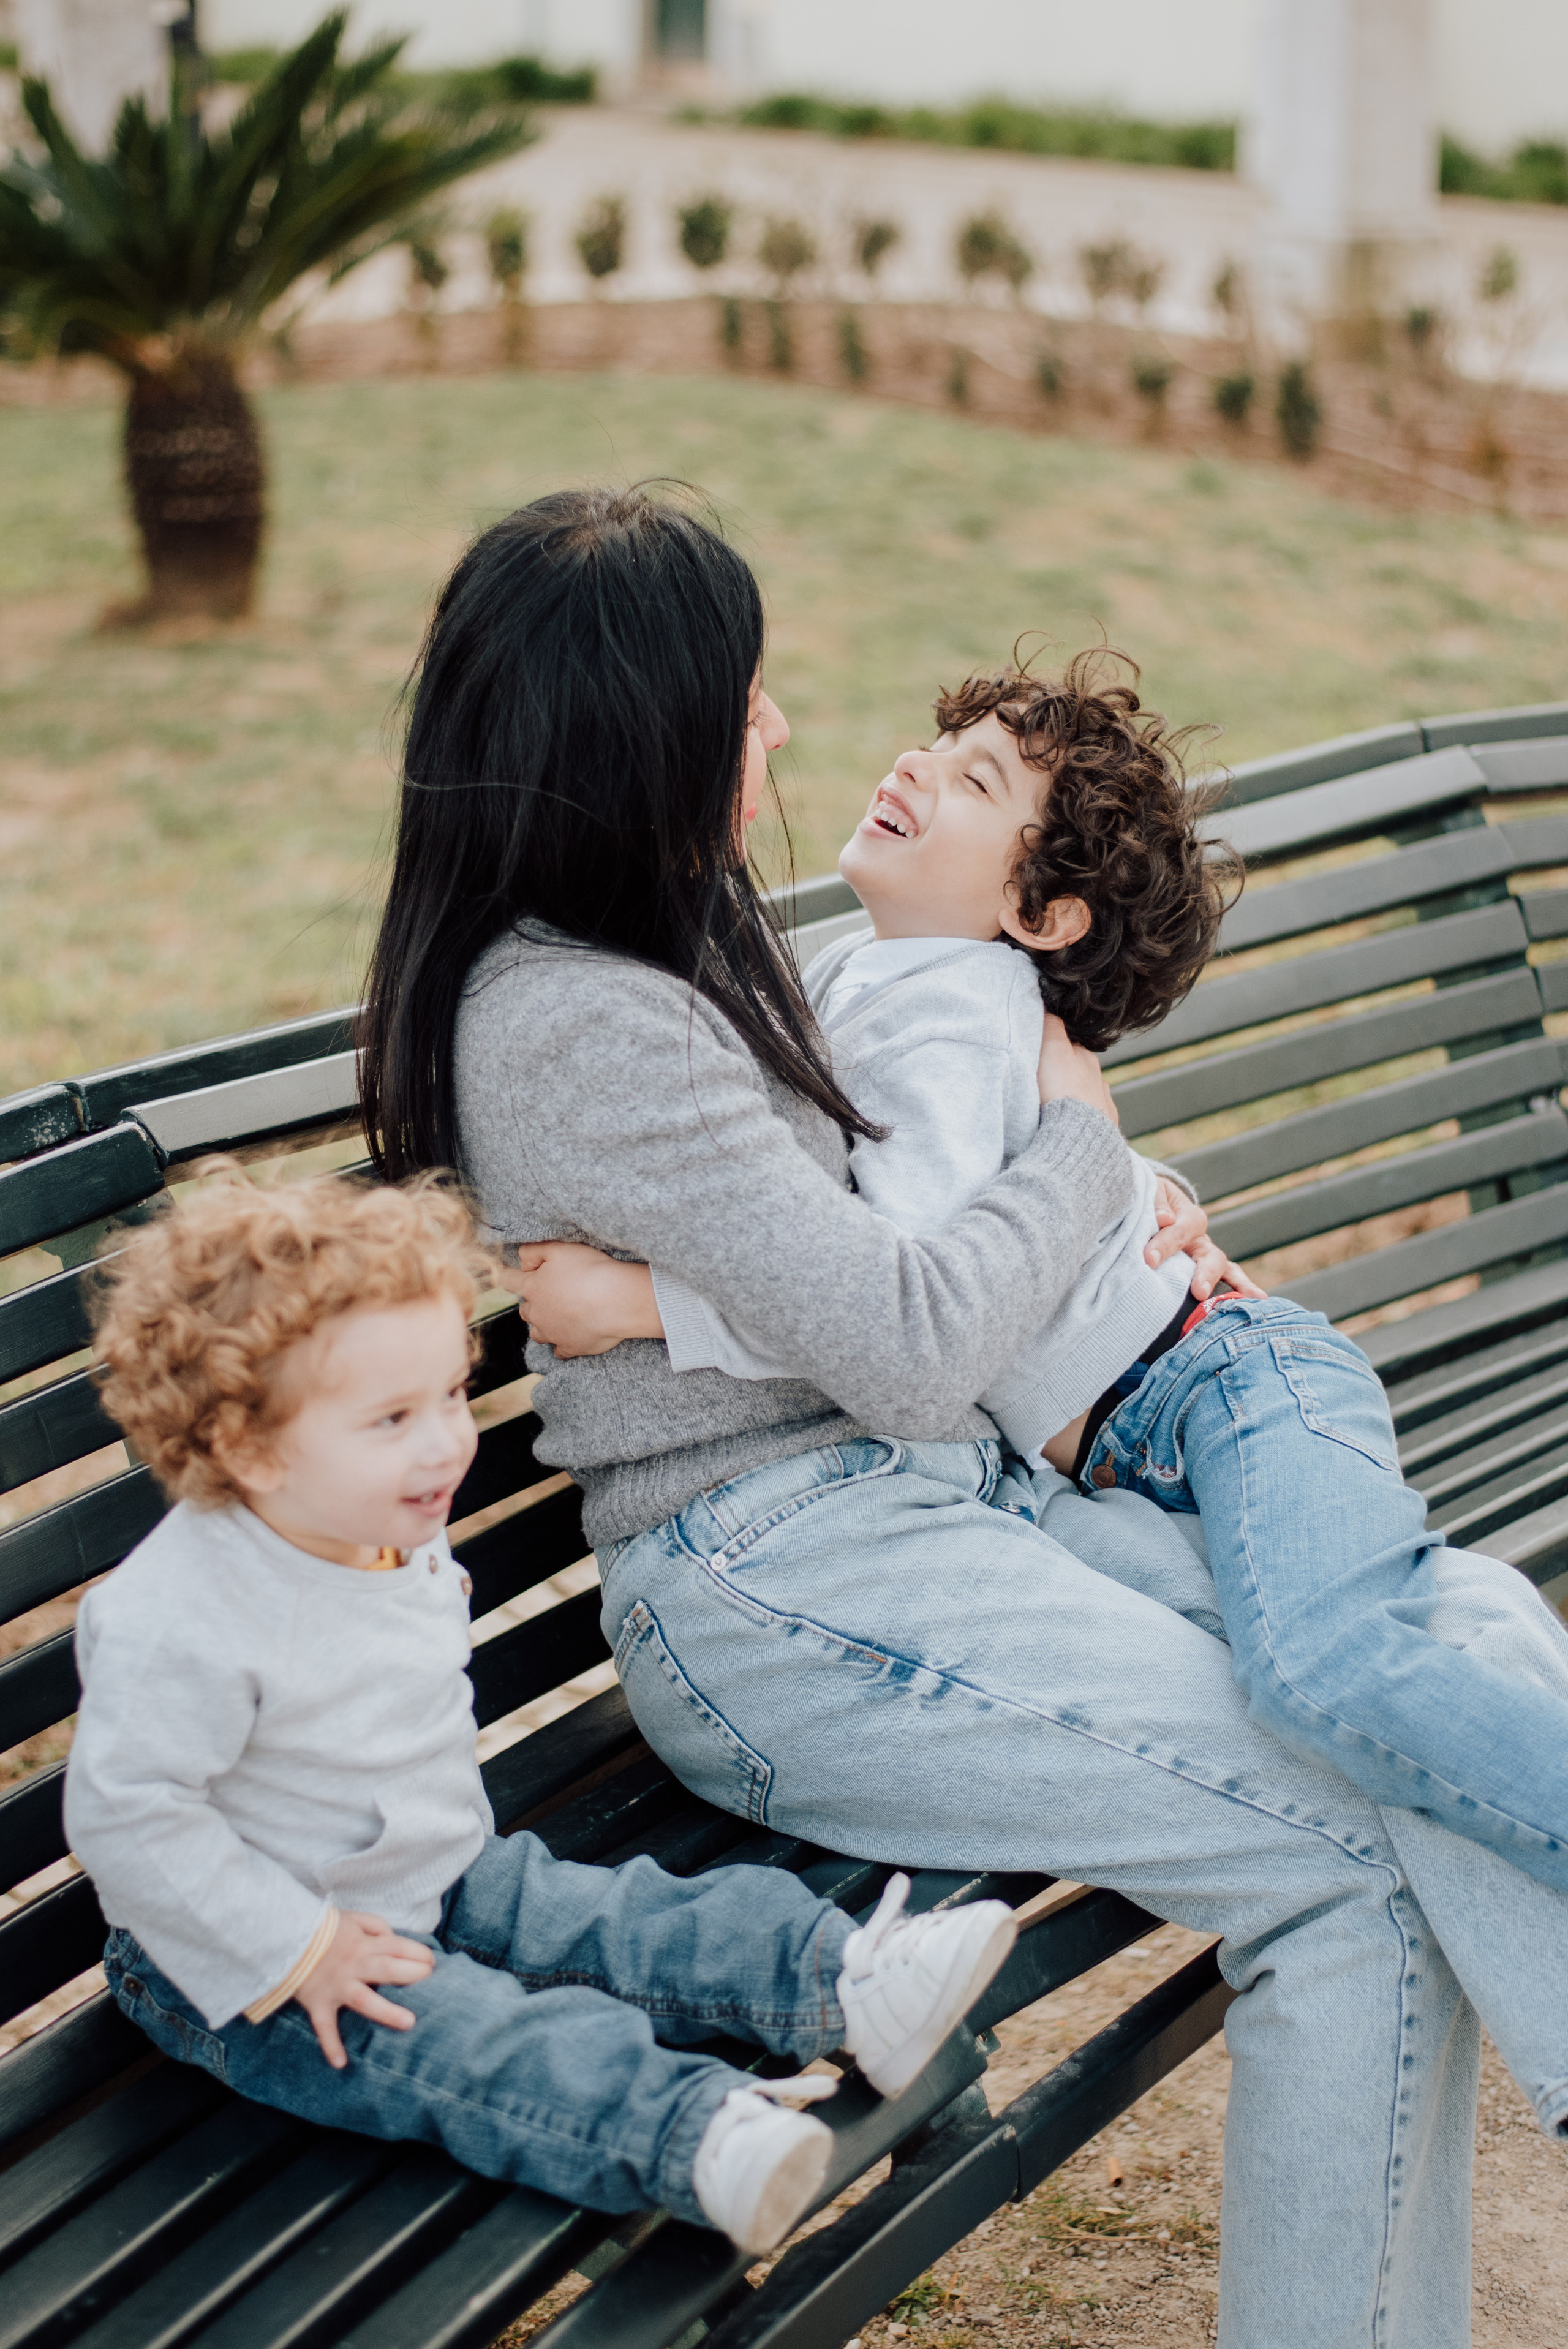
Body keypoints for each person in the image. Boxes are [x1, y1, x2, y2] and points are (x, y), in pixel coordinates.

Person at [360, 483, 1568, 2349]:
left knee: (1461, 1625)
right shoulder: (583, 1018)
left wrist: (1093, 1196)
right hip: (788, 1586)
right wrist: (1086, 1141)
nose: (777, 733)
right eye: (744, 699)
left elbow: (895, 1276)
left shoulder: (677, 937)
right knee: (1347, 1864)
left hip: (938, 1511)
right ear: (638, 726)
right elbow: (912, 1331)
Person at [518, 646, 1568, 1898]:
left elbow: (893, 1300)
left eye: (971, 783)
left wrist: (643, 1307)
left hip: (1217, 1388)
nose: (912, 763)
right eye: (940, 746)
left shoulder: (946, 1008)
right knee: (1400, 1654)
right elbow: (894, 1242)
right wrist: (1139, 1180)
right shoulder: (871, 975)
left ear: (1039, 916)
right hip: (1121, 1449)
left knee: (1326, 1665)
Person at [65, 1167, 1019, 2255]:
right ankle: (689, 2135)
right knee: (468, 2043)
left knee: (614, 1919)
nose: (443, 1444)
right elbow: (130, 1820)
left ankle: (841, 1982)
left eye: (451, 1396)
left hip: (434, 1868)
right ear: (246, 1446)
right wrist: (298, 1946)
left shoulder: (364, 1507)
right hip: (254, 1968)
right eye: (392, 1416)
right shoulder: (178, 1616)